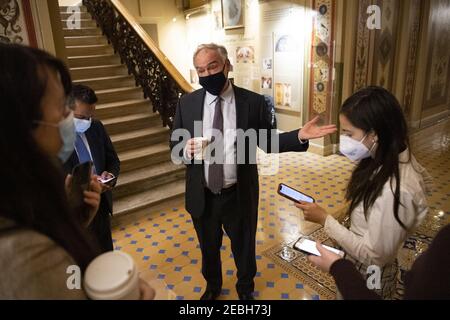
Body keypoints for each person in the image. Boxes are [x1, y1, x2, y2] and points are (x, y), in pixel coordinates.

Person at [170, 43, 337, 300]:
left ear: (227, 65)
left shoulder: (253, 102)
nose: (206, 74)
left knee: (244, 247)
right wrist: (186, 150)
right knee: (208, 248)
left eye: (212, 66)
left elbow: (267, 142)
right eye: (200, 70)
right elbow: (175, 145)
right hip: (201, 194)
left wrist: (300, 136)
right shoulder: (188, 103)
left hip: (238, 194)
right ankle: (213, 287)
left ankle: (245, 289)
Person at [0, 43, 152, 299]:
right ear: (22, 125)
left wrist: (75, 221)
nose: (68, 119)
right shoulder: (25, 258)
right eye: (61, 108)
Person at [295, 86, 429, 299]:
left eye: (349, 133)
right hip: (356, 268)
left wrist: (325, 220)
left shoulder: (396, 191)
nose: (344, 139)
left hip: (370, 276)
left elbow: (373, 256)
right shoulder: (383, 161)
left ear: (374, 134)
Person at [308, 223, 450, 300]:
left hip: (373, 267)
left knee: (373, 287)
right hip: (359, 265)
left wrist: (338, 267)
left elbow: (375, 258)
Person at [64, 84, 120, 253]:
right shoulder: (54, 138)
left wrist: (110, 176)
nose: (87, 121)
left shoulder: (96, 127)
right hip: (74, 214)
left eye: (90, 115)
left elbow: (113, 159)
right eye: (82, 117)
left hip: (101, 205)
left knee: (106, 257)